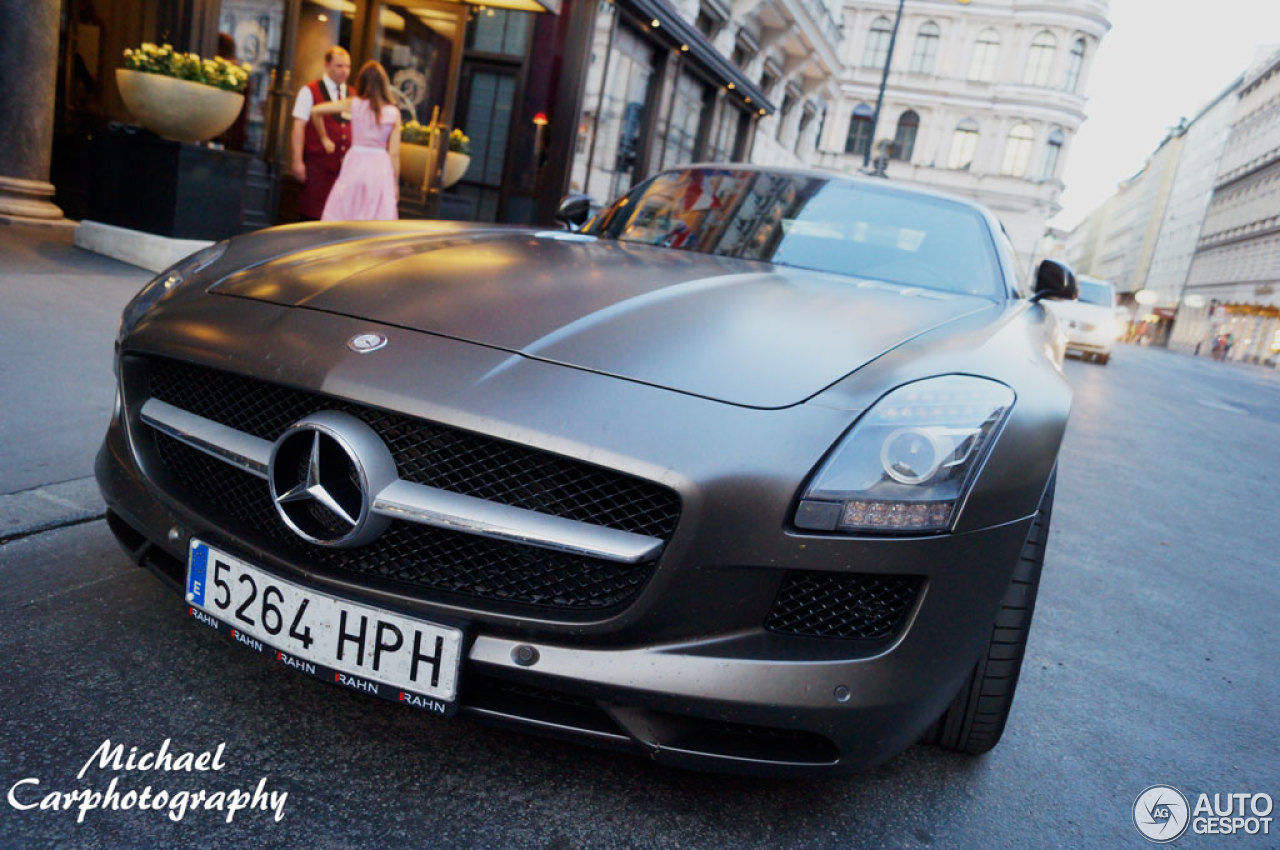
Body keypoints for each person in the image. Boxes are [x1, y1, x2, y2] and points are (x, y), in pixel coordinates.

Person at [311, 61, 401, 221]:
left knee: (347, 207)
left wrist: (324, 138)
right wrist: (395, 183)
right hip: (380, 166)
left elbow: (316, 111)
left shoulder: (353, 104)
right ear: (384, 83)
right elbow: (394, 153)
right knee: (376, 215)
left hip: (356, 161)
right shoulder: (393, 113)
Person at [290, 46, 352, 220]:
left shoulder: (353, 94)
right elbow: (299, 126)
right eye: (339, 66)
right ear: (327, 65)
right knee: (312, 214)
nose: (344, 71)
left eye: (347, 67)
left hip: (343, 173)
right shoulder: (310, 91)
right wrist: (297, 161)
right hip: (317, 168)